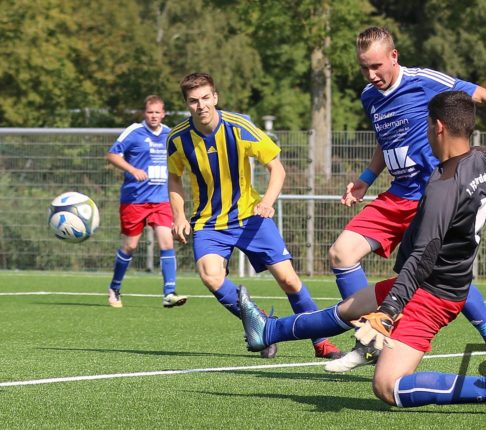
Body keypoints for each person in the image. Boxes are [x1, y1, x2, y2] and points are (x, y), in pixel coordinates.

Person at [239, 91, 486, 415]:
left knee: (387, 386)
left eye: (427, 126)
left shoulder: (443, 186)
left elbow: (424, 255)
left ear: (438, 127)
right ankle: (268, 331)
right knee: (349, 308)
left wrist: (389, 311)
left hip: (431, 296)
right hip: (438, 284)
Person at [325, 26, 486, 372]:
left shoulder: (423, 81)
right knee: (341, 253)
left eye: (376, 66)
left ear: (394, 56)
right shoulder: (369, 96)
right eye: (364, 68)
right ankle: (371, 334)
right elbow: (385, 141)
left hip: (434, 196)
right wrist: (365, 179)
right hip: (397, 195)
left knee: (441, 276)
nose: (371, 74)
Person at [166, 72, 342, 359]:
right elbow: (174, 178)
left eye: (206, 98)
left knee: (289, 281)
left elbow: (277, 168)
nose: (201, 105)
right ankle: (260, 324)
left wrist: (268, 202)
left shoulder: (238, 127)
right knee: (211, 276)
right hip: (209, 223)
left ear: (215, 97)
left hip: (251, 217)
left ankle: (322, 342)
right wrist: (179, 216)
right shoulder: (177, 138)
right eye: (194, 101)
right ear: (187, 104)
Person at [106, 95, 187, 309]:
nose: (154, 116)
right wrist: (132, 169)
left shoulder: (170, 134)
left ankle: (169, 293)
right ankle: (115, 287)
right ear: (145, 113)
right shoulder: (134, 131)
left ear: (163, 114)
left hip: (161, 199)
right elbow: (112, 155)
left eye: (157, 112)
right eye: (150, 112)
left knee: (167, 242)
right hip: (134, 199)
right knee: (130, 246)